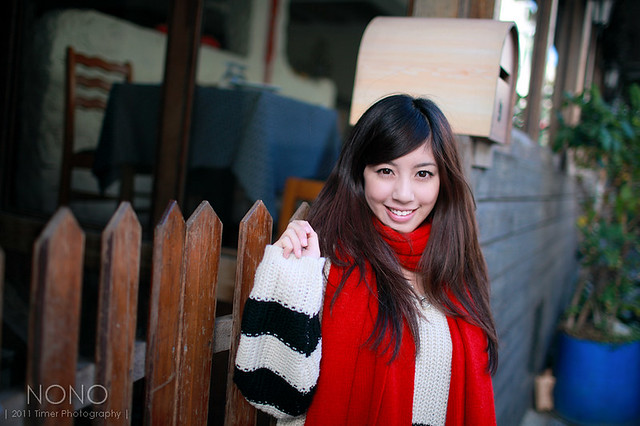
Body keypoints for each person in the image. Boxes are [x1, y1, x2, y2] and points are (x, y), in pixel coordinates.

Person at [234, 94, 498, 425]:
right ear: (360, 173)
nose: (403, 194)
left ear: (443, 180)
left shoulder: (455, 268)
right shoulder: (325, 262)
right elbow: (272, 397)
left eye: (423, 174)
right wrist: (294, 278)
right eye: (386, 171)